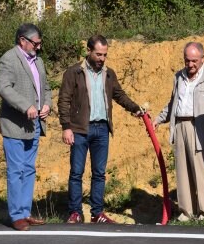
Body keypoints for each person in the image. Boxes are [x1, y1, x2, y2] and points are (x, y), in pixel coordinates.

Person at [58, 35, 143, 224]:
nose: (102, 59)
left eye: (104, 55)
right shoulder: (74, 72)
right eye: (98, 54)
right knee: (76, 172)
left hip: (102, 129)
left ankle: (97, 213)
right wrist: (66, 127)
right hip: (80, 129)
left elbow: (119, 95)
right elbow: (63, 100)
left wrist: (135, 108)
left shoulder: (108, 73)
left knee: (99, 173)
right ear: (88, 51)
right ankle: (75, 213)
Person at [153, 42, 204, 221]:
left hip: (202, 127)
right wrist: (158, 118)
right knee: (182, 171)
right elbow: (173, 103)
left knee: (202, 172)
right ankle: (186, 212)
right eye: (187, 60)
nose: (190, 64)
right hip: (180, 126)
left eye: (194, 60)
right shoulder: (179, 76)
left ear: (203, 58)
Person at [0, 23, 52, 231]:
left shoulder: (38, 61)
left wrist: (47, 104)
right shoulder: (9, 58)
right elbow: (3, 87)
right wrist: (25, 105)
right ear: (23, 40)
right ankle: (16, 215)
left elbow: (46, 88)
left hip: (35, 124)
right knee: (16, 170)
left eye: (39, 43)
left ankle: (25, 212)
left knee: (29, 169)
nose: (38, 47)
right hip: (15, 125)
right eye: (36, 43)